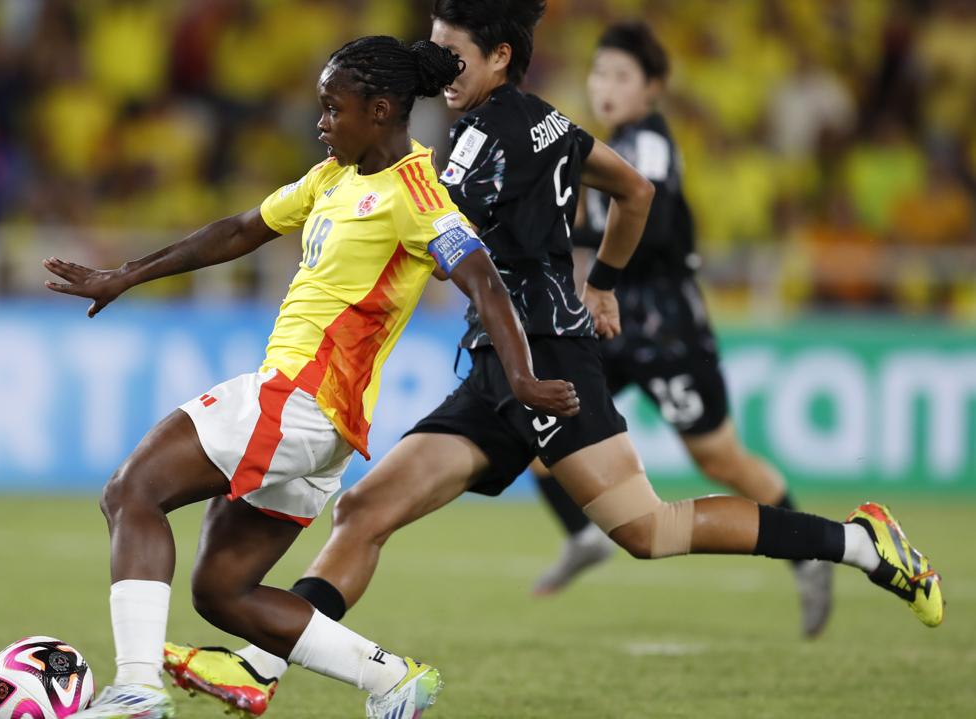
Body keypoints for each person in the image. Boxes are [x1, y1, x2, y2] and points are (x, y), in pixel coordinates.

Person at [166, 2, 943, 716]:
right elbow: (632, 190)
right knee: (368, 509)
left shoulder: (477, 143)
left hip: (547, 361)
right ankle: (260, 666)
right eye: (429, 55)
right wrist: (602, 282)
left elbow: (430, 224)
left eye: (450, 56)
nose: (438, 70)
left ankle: (860, 544)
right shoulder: (544, 121)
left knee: (647, 529)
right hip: (500, 363)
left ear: (499, 56)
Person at [49, 35, 579, 719]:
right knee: (223, 591)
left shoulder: (417, 193)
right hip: (319, 424)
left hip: (297, 397)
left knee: (132, 490)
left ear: (382, 109)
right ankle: (391, 678)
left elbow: (482, 280)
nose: (321, 122)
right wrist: (129, 274)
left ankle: (138, 688)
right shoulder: (334, 175)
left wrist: (525, 377)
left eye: (333, 108)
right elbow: (240, 229)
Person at [528, 21, 834, 641]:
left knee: (718, 458)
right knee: (539, 425)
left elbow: (655, 222)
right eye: (599, 72)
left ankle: (807, 555)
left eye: (621, 76)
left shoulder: (649, 144)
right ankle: (586, 536)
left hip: (667, 329)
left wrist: (568, 237)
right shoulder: (611, 143)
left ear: (653, 88)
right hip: (610, 321)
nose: (605, 86)